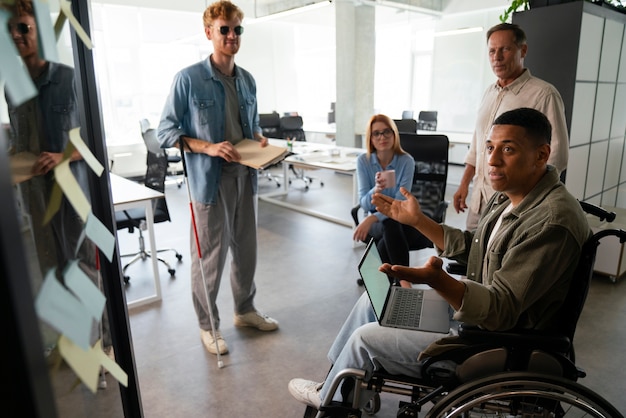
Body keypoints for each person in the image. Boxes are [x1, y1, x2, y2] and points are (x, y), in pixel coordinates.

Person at [288, 107, 590, 409]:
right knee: (373, 302)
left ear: (541, 155)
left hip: (494, 339)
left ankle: (335, 402)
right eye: (490, 148)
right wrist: (418, 221)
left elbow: (501, 310)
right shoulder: (512, 196)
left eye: (508, 149)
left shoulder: (551, 222)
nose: (493, 160)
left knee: (365, 339)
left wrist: (440, 281)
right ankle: (333, 385)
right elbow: (478, 247)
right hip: (473, 316)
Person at [157, 0, 278, 356]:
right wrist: (207, 147)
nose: (231, 36)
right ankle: (208, 326)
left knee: (246, 252)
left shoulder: (248, 80)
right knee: (210, 257)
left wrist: (259, 139)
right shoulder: (188, 79)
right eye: (224, 29)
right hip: (209, 184)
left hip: (246, 178)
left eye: (236, 29)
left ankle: (245, 310)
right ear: (209, 32)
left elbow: (250, 126)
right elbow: (165, 131)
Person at [5, 0, 110, 353]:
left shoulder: (70, 78)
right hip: (34, 197)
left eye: (24, 27)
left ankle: (96, 344)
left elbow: (97, 144)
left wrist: (64, 154)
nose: (16, 36)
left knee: (84, 270)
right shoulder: (12, 85)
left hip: (73, 192)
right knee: (52, 270)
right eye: (9, 30)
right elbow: (19, 142)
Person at [453, 23, 569, 230]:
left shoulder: (543, 94)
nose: (496, 57)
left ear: (522, 50)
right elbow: (477, 145)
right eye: (491, 51)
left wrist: (524, 201)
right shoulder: (489, 92)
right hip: (479, 199)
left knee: (500, 261)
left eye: (504, 49)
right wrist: (464, 185)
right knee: (471, 257)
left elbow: (557, 157)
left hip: (511, 205)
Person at [353, 114, 430, 271]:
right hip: (380, 223)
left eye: (387, 131)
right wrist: (377, 189)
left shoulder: (406, 161)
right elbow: (365, 204)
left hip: (399, 217)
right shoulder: (363, 161)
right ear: (371, 138)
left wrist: (370, 219)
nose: (382, 137)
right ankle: (404, 281)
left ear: (394, 134)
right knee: (391, 225)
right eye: (376, 133)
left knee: (391, 228)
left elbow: (400, 202)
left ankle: (383, 278)